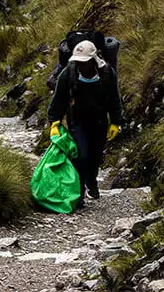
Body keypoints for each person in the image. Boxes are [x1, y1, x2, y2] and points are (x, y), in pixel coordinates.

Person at [47, 40, 123, 209]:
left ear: (92, 59)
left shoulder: (107, 73)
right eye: (78, 62)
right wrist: (54, 122)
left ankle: (92, 181)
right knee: (81, 155)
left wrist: (116, 122)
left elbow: (114, 98)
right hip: (78, 120)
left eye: (84, 62)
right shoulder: (69, 73)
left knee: (95, 156)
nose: (80, 65)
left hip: (99, 121)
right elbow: (58, 100)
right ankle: (79, 194)